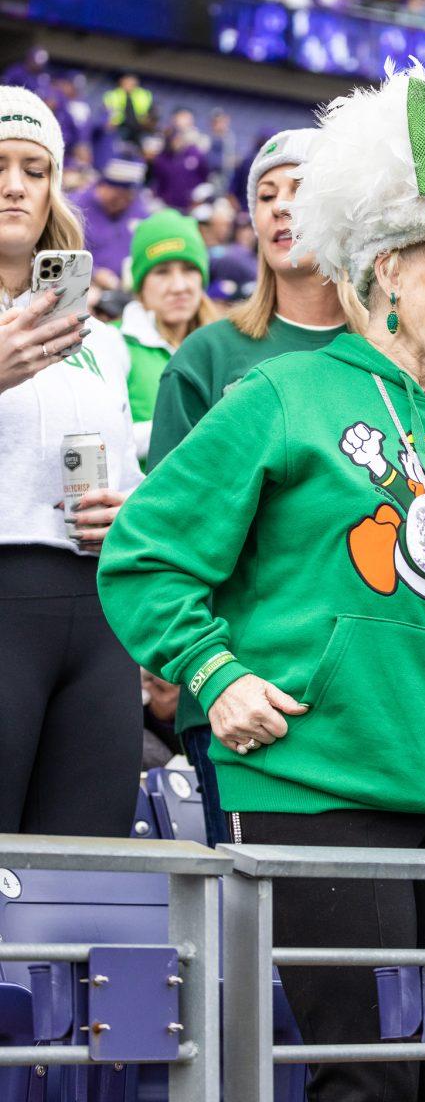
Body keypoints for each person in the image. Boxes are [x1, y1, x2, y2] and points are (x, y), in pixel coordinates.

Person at [98, 66, 425, 1102]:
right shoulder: (279, 395)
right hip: (317, 786)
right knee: (373, 1077)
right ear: (384, 267)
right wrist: (214, 672)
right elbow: (146, 554)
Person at [146, 129, 360, 846]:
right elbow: (166, 541)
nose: (279, 208)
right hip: (245, 700)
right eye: (265, 195)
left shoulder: (394, 354)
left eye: (299, 190)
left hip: (367, 707)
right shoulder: (208, 356)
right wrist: (198, 670)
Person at [0, 86, 142, 834]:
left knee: (87, 870)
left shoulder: (102, 340)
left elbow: (132, 481)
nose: (15, 185)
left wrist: (128, 511)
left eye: (34, 167)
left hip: (98, 617)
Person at [118, 208, 218, 463]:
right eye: (162, 271)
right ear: (140, 284)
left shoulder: (223, 344)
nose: (179, 286)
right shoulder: (114, 343)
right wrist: (191, 427)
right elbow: (99, 441)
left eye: (188, 269)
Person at [69, 155, 151, 284]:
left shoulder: (138, 209)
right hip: (85, 287)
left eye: (128, 197)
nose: (123, 202)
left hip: (127, 289)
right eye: (117, 196)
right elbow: (61, 253)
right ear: (102, 186)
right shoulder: (74, 209)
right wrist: (93, 274)